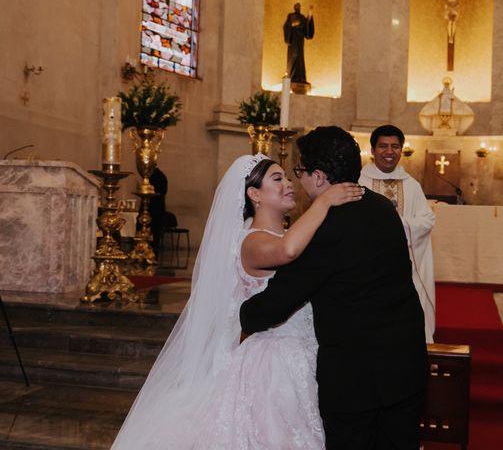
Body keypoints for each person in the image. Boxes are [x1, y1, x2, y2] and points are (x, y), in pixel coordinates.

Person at [111, 154, 363, 449]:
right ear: (254, 194)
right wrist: (322, 202)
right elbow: (288, 251)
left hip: (306, 354)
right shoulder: (253, 241)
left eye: (288, 177)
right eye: (277, 179)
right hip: (273, 365)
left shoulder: (285, 233)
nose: (289, 185)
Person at [241, 126, 427, 450]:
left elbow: (280, 300)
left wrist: (245, 314)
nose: (297, 182)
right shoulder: (384, 208)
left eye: (300, 172)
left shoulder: (325, 226)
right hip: (406, 365)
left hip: (356, 379)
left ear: (318, 176)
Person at [359, 125, 436, 343]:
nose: (389, 152)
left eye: (395, 146)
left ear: (401, 150)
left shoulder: (412, 186)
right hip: (367, 265)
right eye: (383, 146)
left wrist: (397, 225)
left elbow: (428, 219)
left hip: (406, 265)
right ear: (372, 150)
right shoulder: (359, 181)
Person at [283, 2, 315, 85]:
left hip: (300, 40)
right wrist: (292, 24)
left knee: (300, 58)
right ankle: (291, 76)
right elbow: (286, 26)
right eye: (296, 6)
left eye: (299, 6)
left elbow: (307, 27)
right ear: (294, 7)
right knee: (293, 56)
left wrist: (310, 15)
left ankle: (300, 77)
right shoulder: (290, 16)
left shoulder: (302, 17)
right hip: (293, 40)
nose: (298, 7)